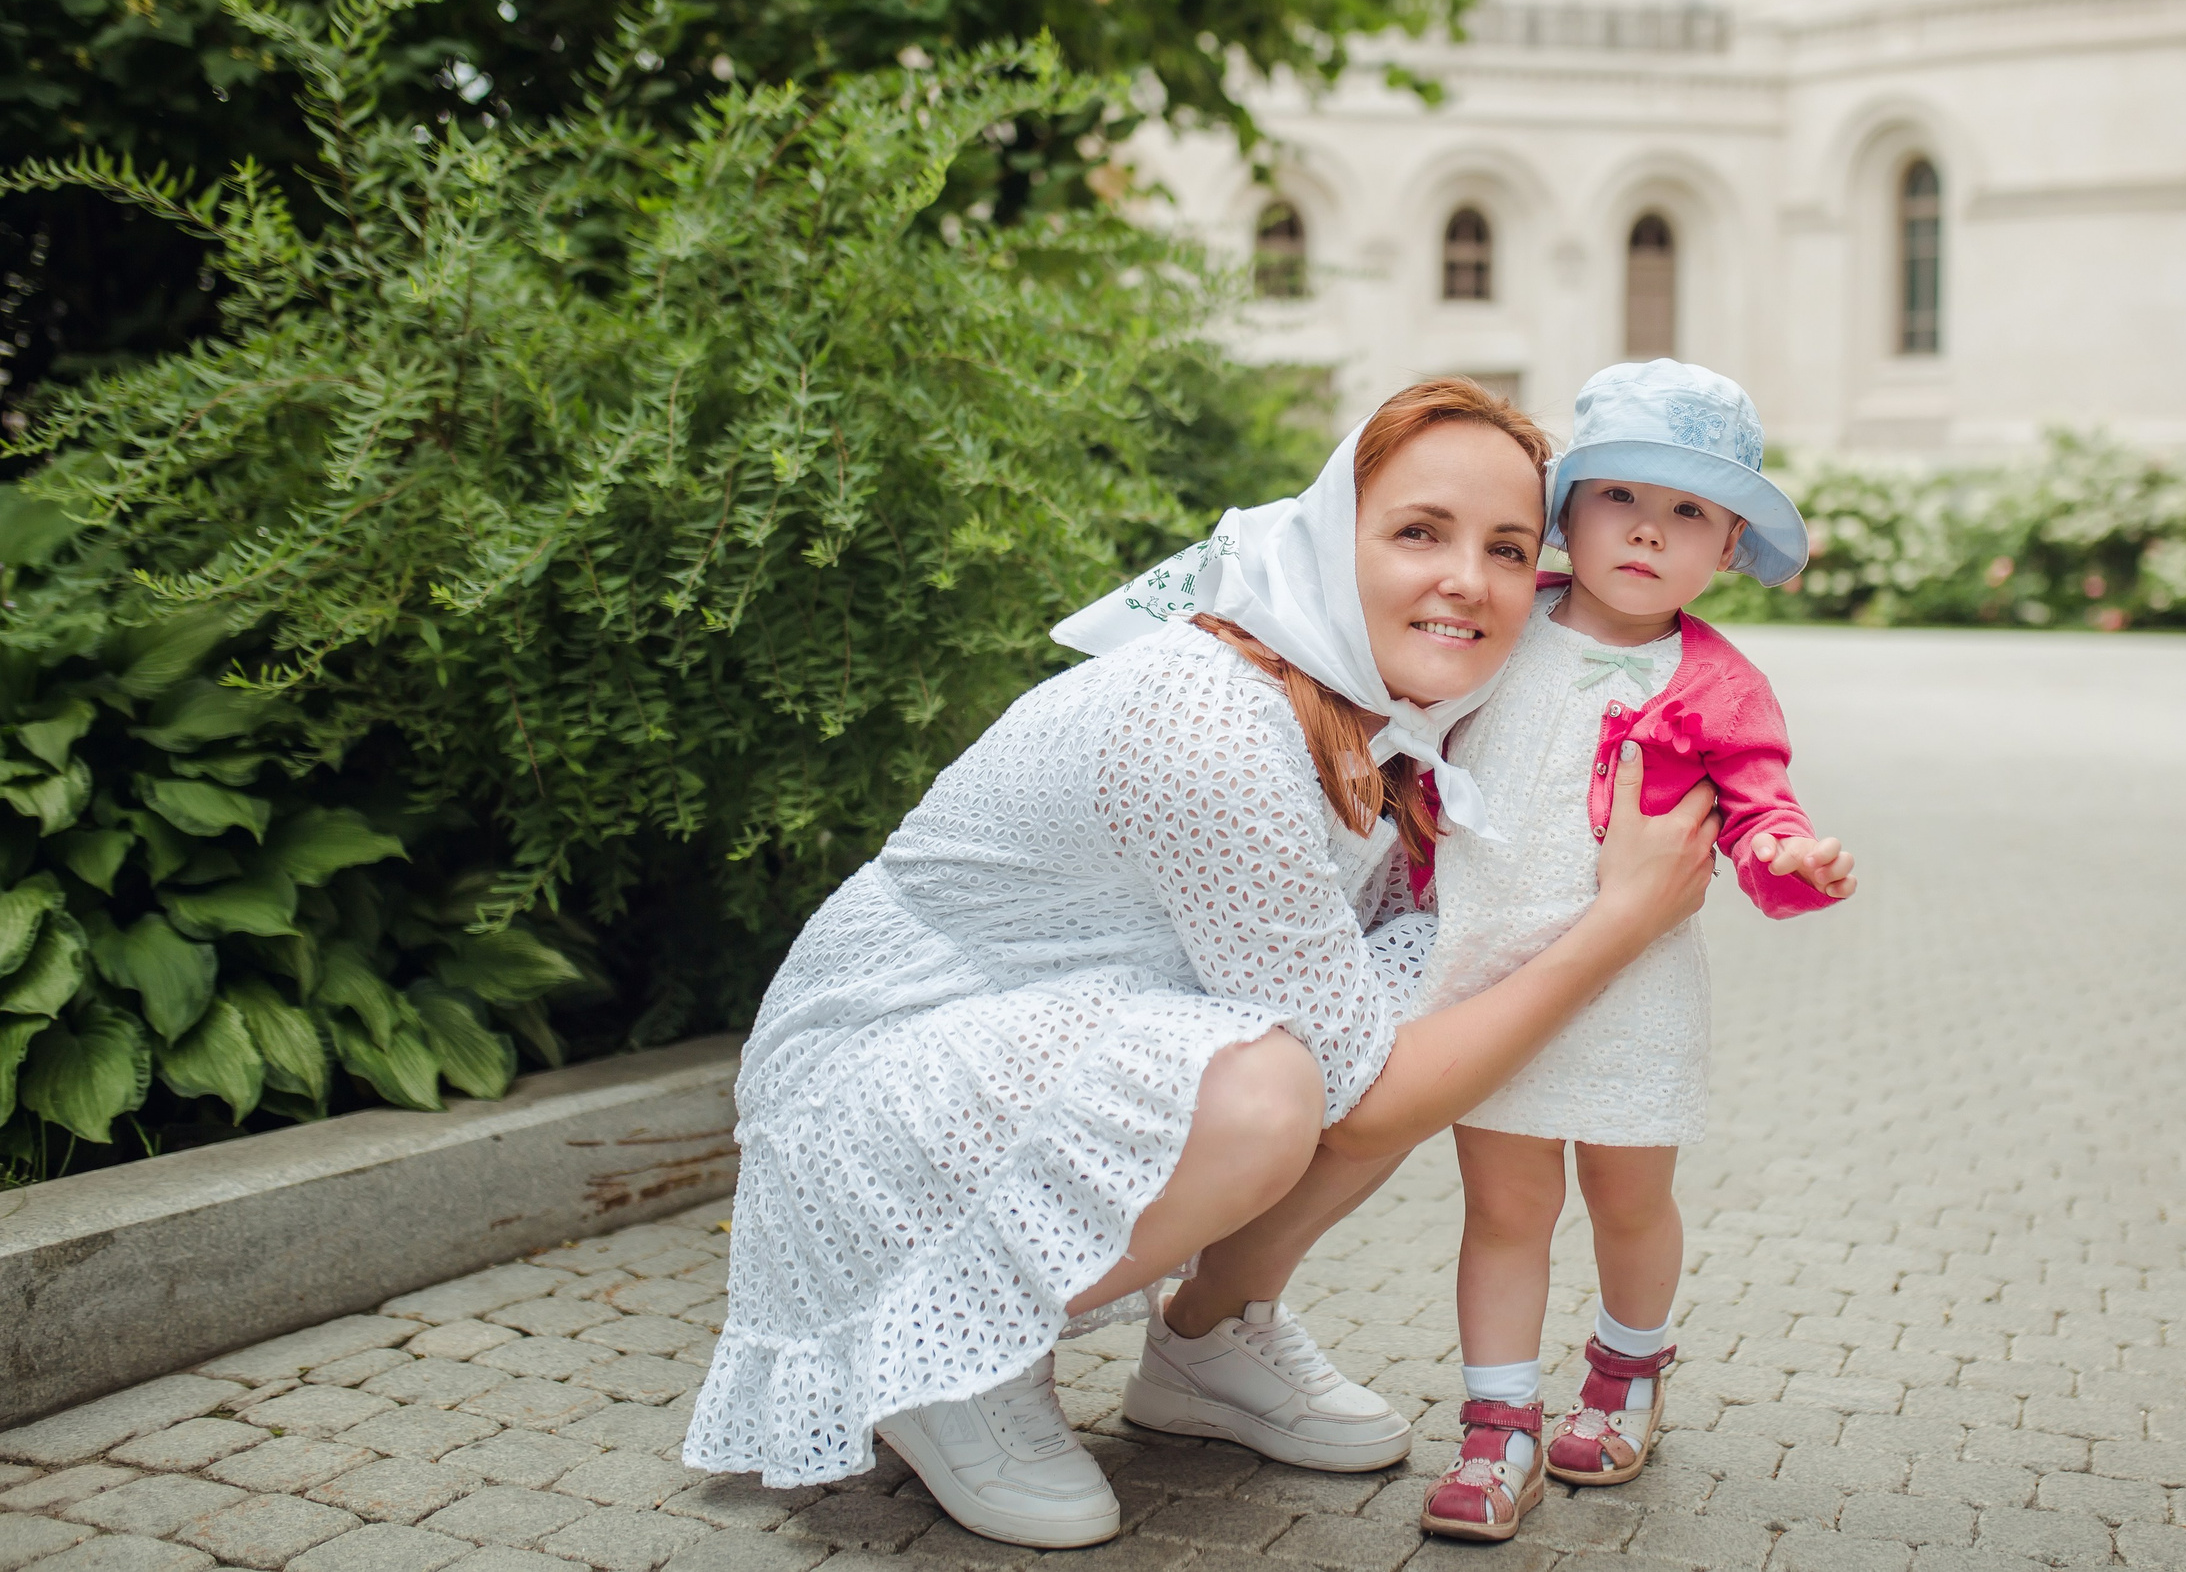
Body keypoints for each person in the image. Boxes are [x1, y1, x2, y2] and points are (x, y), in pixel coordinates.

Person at [681, 377, 1727, 1549]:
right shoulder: (1210, 718)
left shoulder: (1380, 709)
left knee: (1431, 979)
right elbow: (1373, 1098)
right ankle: (945, 1358)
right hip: (885, 1083)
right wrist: (1620, 925)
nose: (1468, 581)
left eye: (1507, 548)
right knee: (1273, 1089)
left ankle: (1209, 1338)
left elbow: (1392, 1025)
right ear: (1330, 539)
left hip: (1070, 1024)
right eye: (1418, 532)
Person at [1413, 360, 1858, 1542]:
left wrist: (1789, 855)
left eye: (1688, 512)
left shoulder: (1718, 684)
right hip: (1490, 974)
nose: (1648, 531)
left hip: (1634, 991)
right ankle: (1497, 1427)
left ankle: (1628, 1367)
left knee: (1627, 1195)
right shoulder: (1502, 621)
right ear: (1567, 512)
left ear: (1728, 548)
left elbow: (1757, 805)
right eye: (1620, 497)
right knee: (1504, 1207)